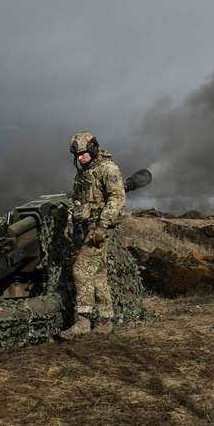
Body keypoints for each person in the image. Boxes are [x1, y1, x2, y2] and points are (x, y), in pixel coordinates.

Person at [60, 132, 126, 339]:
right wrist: (71, 223)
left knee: (80, 269)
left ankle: (83, 322)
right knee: (98, 274)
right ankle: (106, 321)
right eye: (77, 155)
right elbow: (77, 201)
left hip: (99, 229)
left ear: (93, 150)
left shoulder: (108, 168)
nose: (80, 158)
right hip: (87, 228)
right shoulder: (85, 173)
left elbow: (117, 198)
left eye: (83, 154)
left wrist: (102, 227)